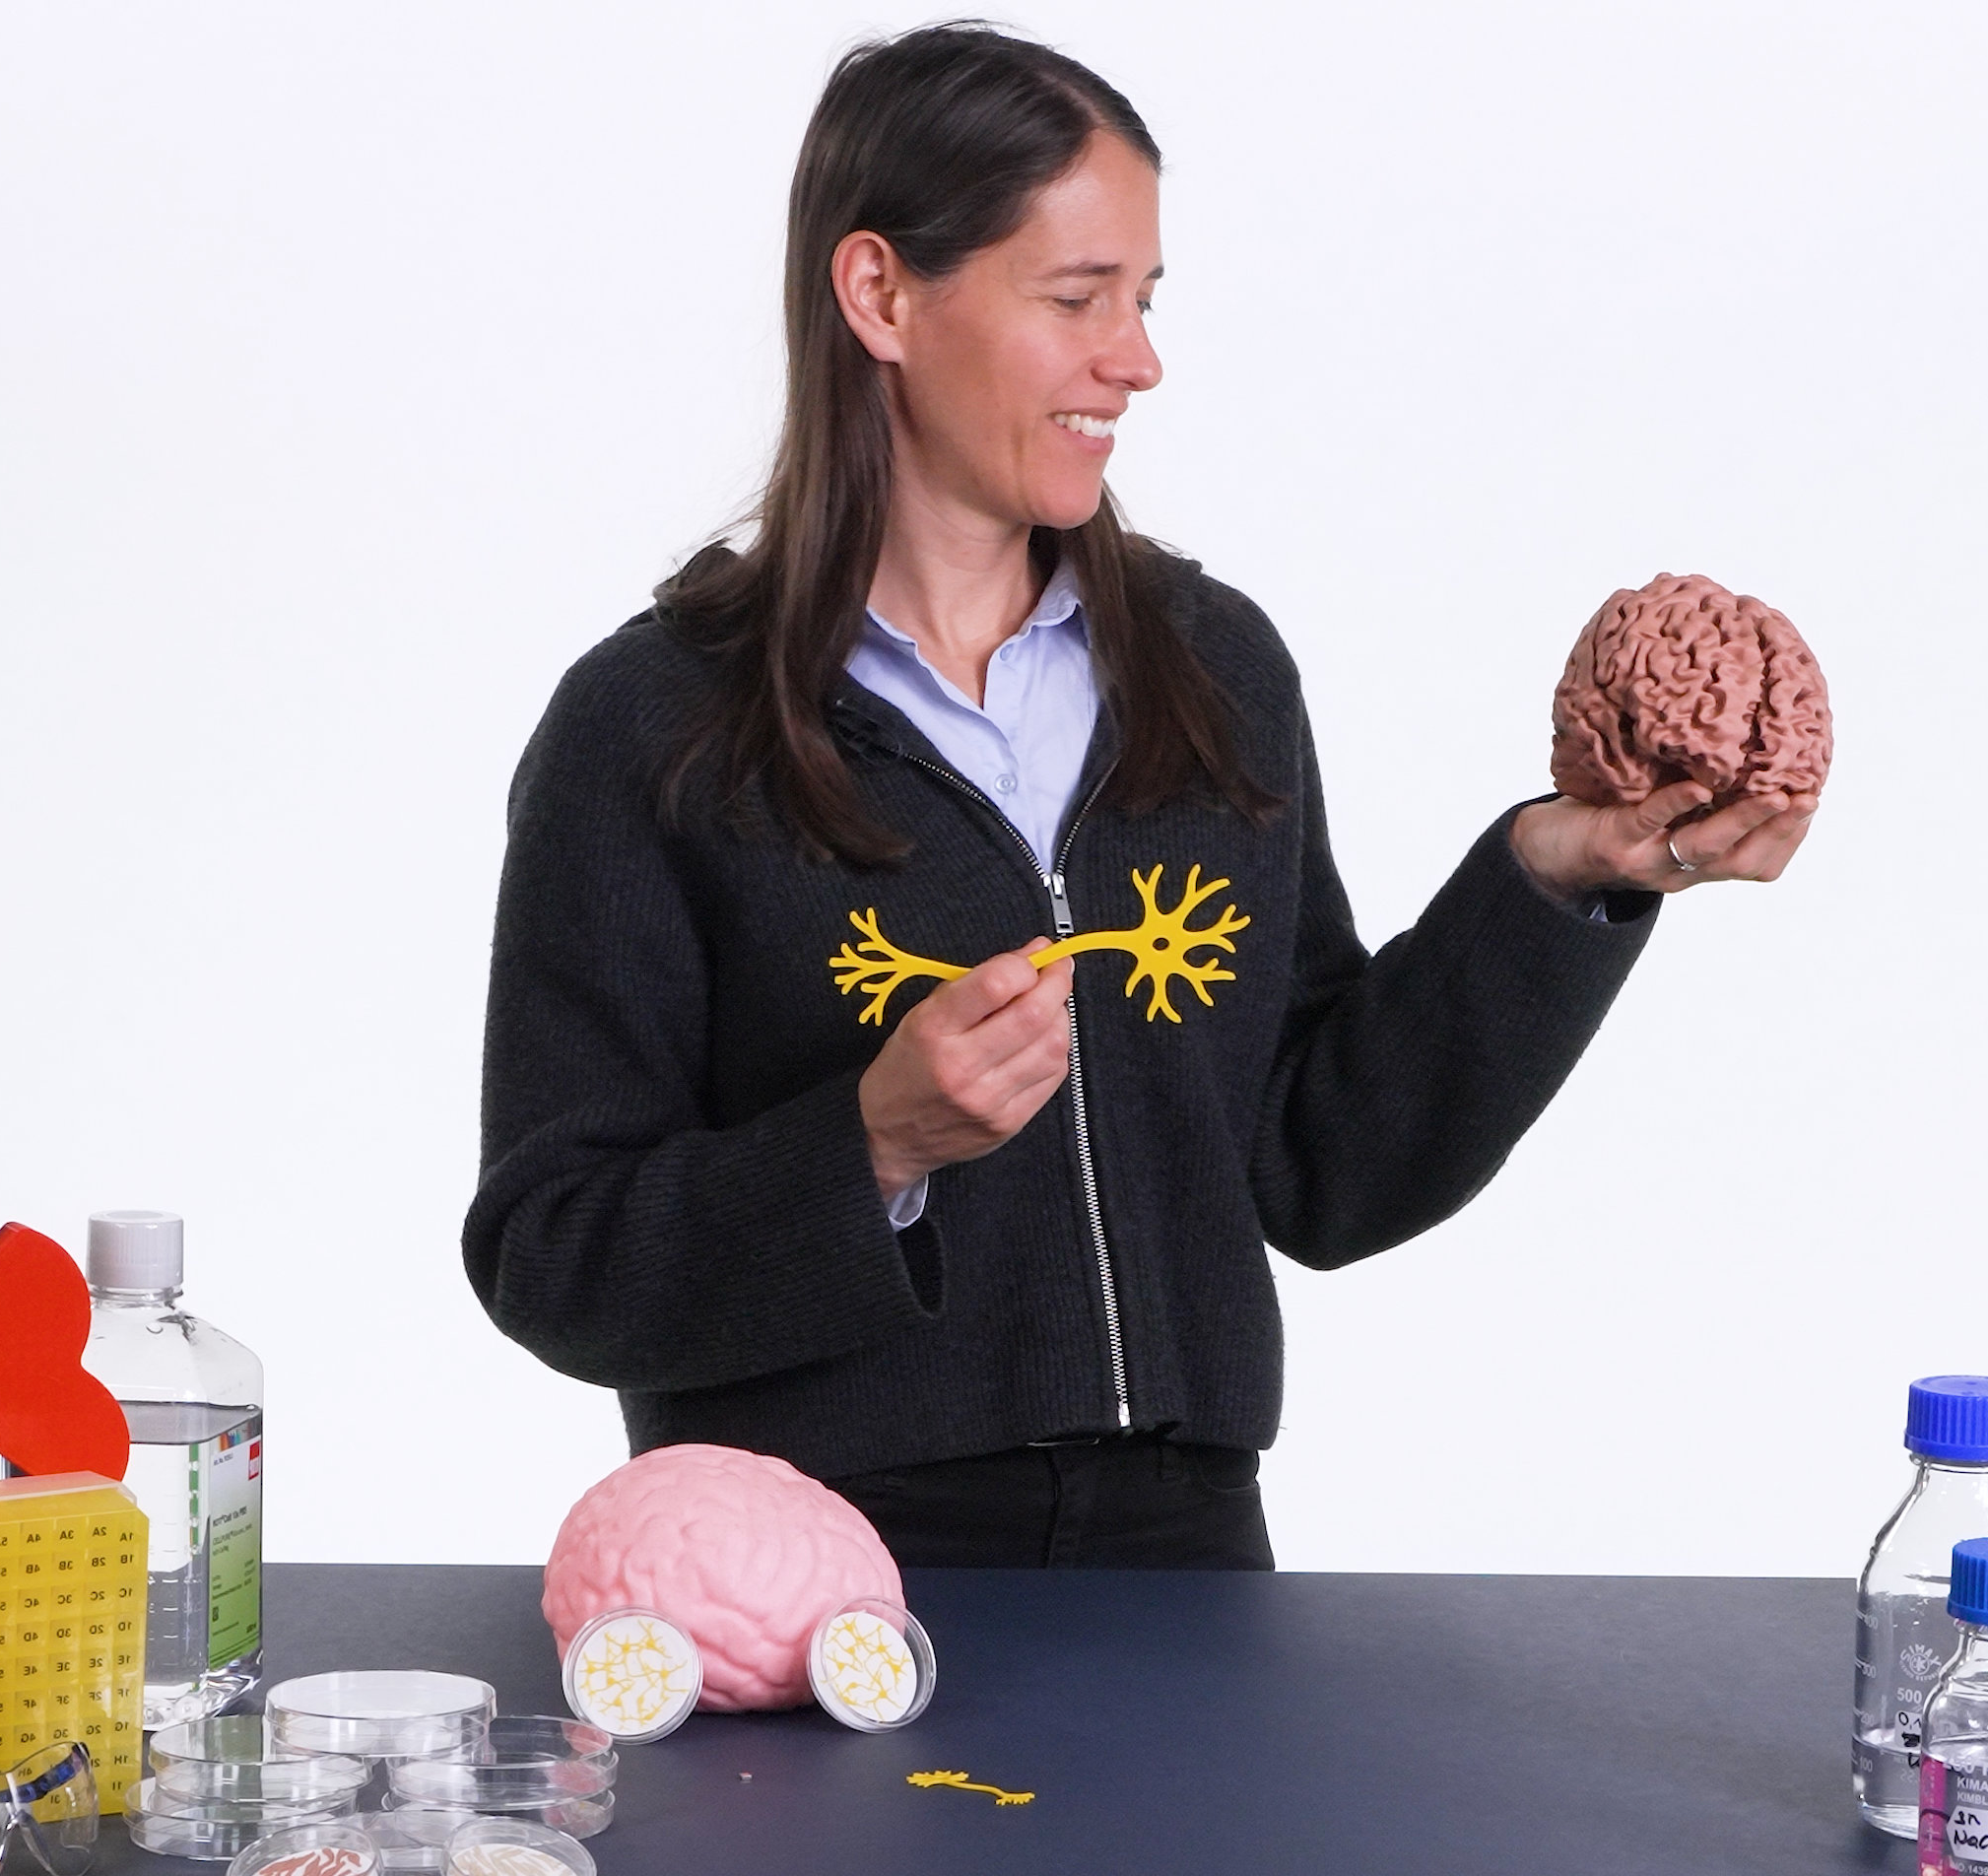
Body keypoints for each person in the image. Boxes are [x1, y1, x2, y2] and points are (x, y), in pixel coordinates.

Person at [465, 24, 1815, 1572]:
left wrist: (1558, 878)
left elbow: (1325, 1168)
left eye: (1145, 299)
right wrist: (872, 1146)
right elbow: (552, 1251)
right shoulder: (653, 726)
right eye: (1076, 297)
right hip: (816, 1572)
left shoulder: (1213, 669)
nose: (1138, 359)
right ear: (881, 295)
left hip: (1192, 1556)